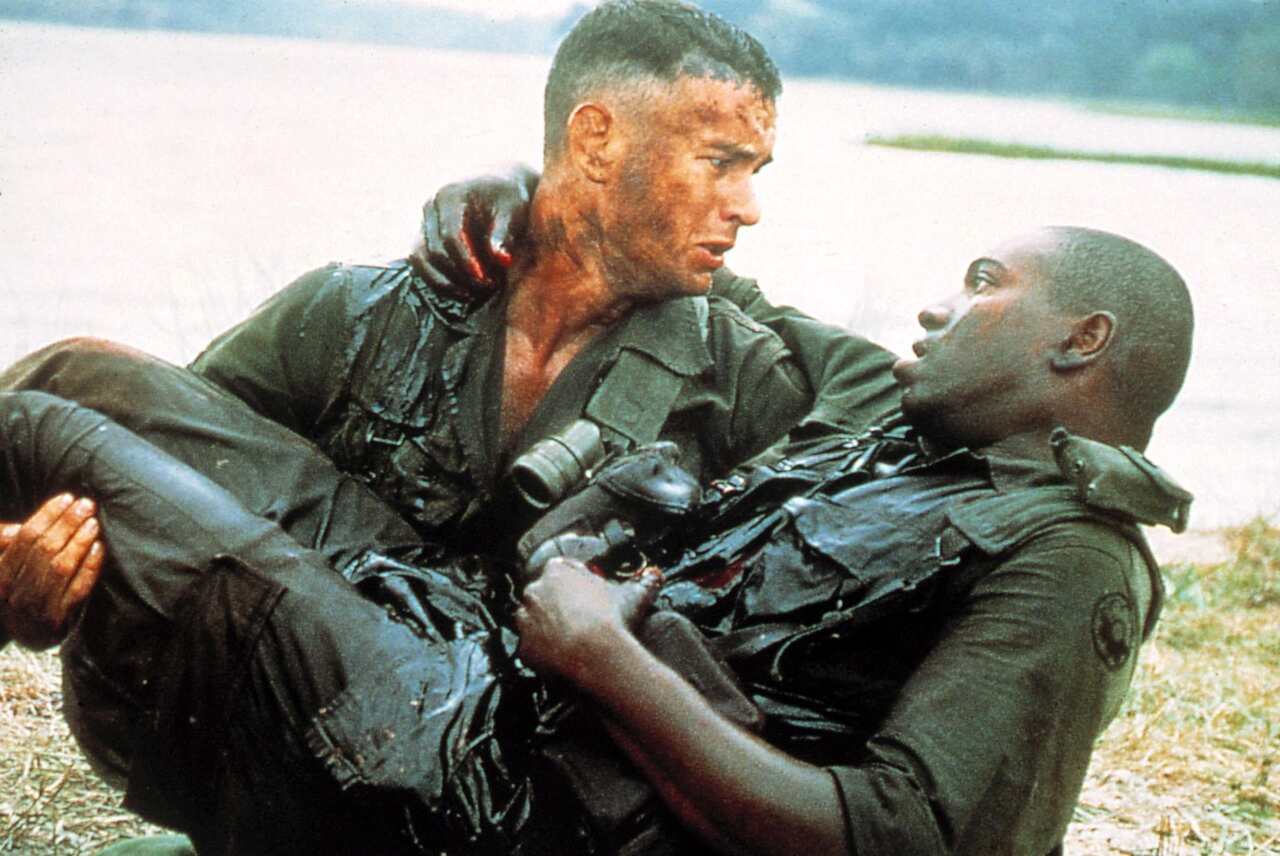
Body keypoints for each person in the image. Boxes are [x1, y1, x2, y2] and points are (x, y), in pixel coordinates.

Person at [0, 225, 1191, 855]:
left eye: (982, 281)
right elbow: (716, 289)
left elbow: (901, 836)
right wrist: (522, 198)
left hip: (487, 787)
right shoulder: (903, 428)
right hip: (474, 655)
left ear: (1079, 341)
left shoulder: (1068, 559)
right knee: (79, 376)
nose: (934, 306)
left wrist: (606, 658)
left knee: (36, 431)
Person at [0, 0, 898, 651]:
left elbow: (893, 415)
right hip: (270, 701)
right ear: (596, 140)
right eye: (718, 163)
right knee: (81, 388)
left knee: (72, 386)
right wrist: (29, 591)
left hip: (488, 744)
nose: (746, 207)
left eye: (754, 172)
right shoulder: (352, 314)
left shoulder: (737, 374)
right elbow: (156, 487)